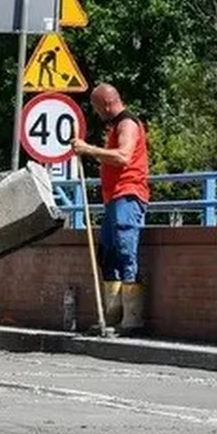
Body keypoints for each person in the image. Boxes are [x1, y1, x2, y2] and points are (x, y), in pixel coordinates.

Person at [72, 83, 149, 335]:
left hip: (128, 196)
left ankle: (132, 319)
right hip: (114, 199)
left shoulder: (127, 124)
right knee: (110, 252)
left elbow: (124, 156)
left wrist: (88, 149)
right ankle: (113, 317)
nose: (96, 113)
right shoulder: (116, 126)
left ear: (106, 103)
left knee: (125, 250)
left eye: (96, 107)